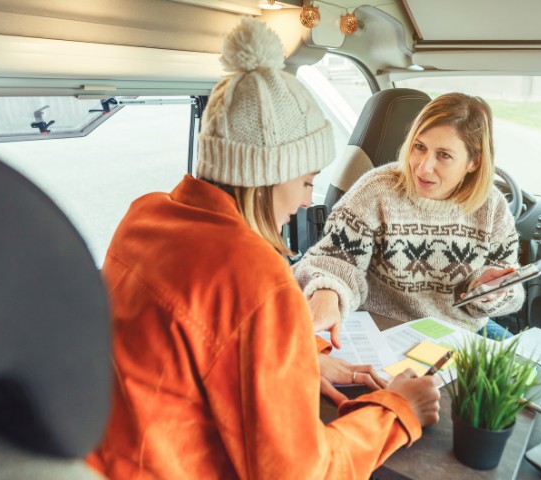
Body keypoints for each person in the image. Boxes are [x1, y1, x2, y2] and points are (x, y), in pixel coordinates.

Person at [86, 17, 441, 480]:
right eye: (306, 181)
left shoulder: (144, 215)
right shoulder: (257, 278)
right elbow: (300, 472)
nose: (307, 200)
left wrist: (299, 362)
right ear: (268, 175)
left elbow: (186, 356)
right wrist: (398, 409)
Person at [293, 92, 524, 347]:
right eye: (419, 147)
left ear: (473, 162)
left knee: (533, 379)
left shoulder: (493, 206)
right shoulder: (377, 190)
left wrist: (489, 291)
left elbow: (512, 291)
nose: (423, 167)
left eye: (444, 155)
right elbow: (334, 258)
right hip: (389, 327)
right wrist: (328, 290)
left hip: (459, 331)